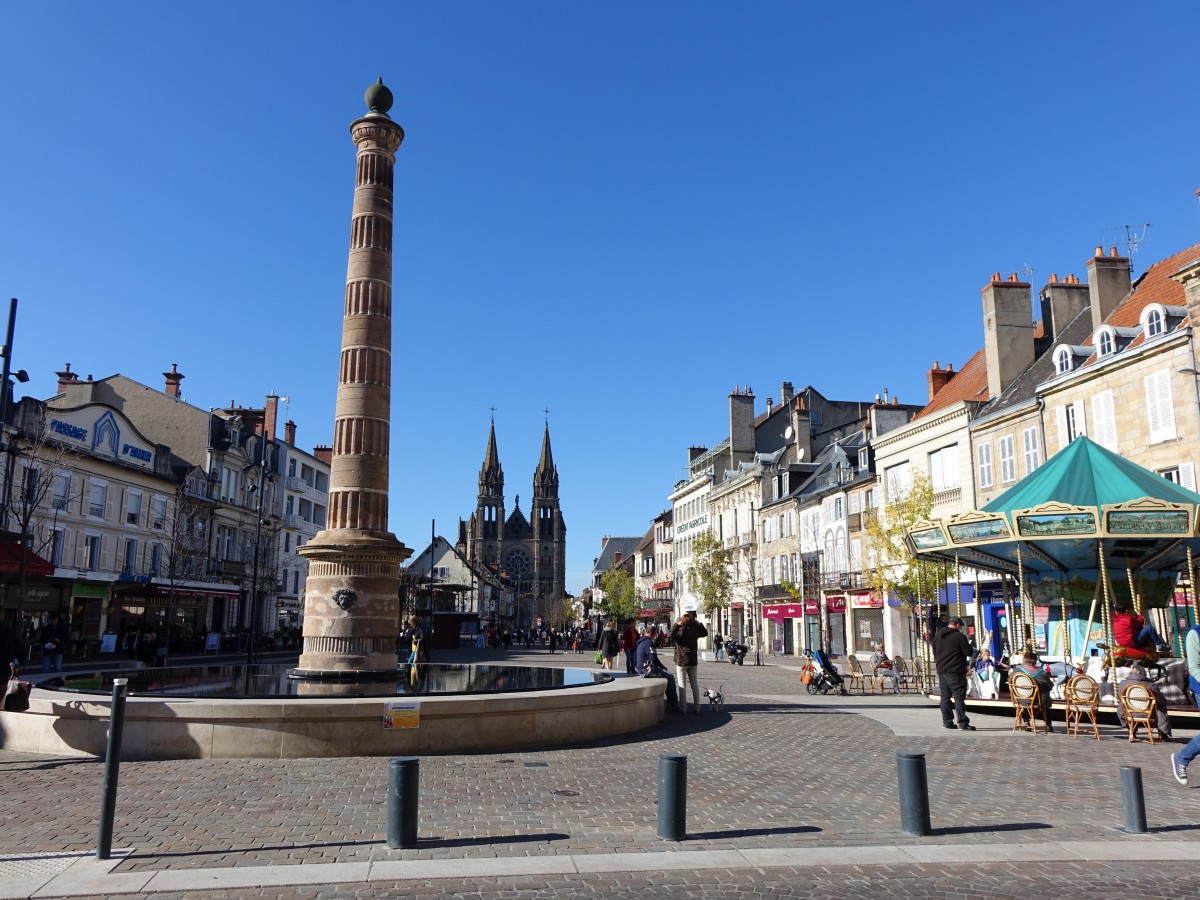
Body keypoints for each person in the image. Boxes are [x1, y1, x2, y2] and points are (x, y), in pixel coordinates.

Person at [932, 616, 974, 731]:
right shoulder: (959, 637)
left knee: (945, 698)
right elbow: (968, 652)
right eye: (960, 625)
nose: (961, 628)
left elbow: (935, 653)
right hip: (956, 671)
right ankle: (962, 723)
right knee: (959, 697)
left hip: (942, 671)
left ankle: (947, 722)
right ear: (956, 624)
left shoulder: (937, 637)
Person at [1116, 662, 1172, 740]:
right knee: (1160, 710)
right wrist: (1164, 705)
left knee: (1122, 706)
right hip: (1149, 713)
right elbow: (1161, 700)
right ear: (1144, 674)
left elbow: (1120, 697)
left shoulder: (1123, 684)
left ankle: (1132, 731)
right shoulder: (1151, 685)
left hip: (1129, 713)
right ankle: (1162, 734)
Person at [634, 624, 681, 712]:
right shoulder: (648, 642)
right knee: (670, 677)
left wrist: (661, 667)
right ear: (653, 633)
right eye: (655, 634)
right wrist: (662, 667)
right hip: (647, 670)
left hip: (641, 668)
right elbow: (653, 658)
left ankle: (671, 701)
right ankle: (673, 703)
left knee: (666, 674)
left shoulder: (641, 641)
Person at [669, 611, 708, 714]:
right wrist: (699, 624)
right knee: (694, 684)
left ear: (682, 621)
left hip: (682, 660)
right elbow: (705, 633)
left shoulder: (681, 630)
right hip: (693, 660)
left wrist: (676, 625)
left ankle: (683, 707)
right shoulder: (695, 629)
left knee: (682, 685)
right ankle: (697, 707)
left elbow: (670, 635)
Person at [1010, 650, 1055, 732]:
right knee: (1045, 700)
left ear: (1024, 660)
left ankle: (1026, 722)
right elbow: (1050, 686)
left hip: (1021, 699)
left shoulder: (1016, 670)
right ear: (1035, 660)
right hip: (1039, 700)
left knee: (1025, 700)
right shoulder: (1041, 672)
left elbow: (1010, 681)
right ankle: (1048, 724)